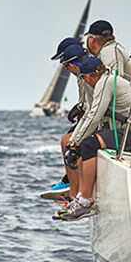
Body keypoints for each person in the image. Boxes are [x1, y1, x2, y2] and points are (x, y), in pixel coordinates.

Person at [59, 56, 131, 221]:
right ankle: (80, 197)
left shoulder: (104, 83)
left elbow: (94, 115)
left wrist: (76, 144)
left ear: (88, 77)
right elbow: (90, 115)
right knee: (85, 145)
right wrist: (74, 142)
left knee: (88, 145)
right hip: (125, 129)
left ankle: (85, 201)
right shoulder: (106, 79)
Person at [42, 42, 92, 201]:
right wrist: (79, 108)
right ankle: (69, 183)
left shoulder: (88, 74)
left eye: (65, 65)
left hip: (95, 120)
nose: (66, 70)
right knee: (66, 141)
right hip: (88, 117)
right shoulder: (81, 76)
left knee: (68, 142)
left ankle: (74, 193)